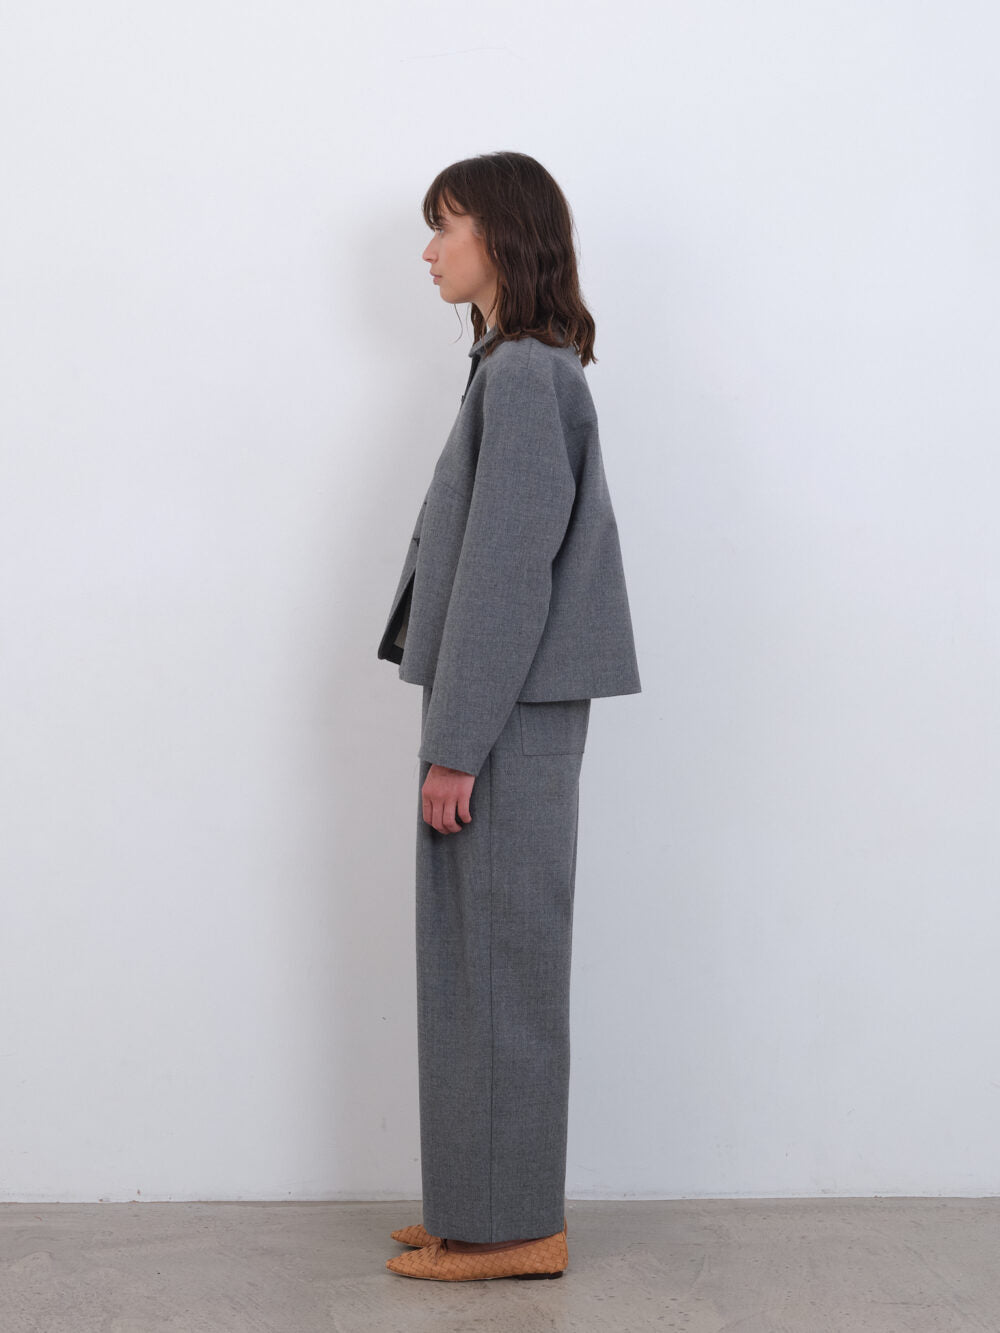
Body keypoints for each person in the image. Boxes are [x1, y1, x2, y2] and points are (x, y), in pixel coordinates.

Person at [377, 151, 641, 1282]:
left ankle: (512, 1227)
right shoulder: (514, 366)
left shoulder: (527, 375)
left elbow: (504, 576)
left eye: (448, 225)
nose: (429, 249)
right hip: (504, 709)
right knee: (479, 962)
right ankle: (475, 1202)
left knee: (497, 968)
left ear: (504, 235)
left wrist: (456, 747)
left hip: (503, 717)